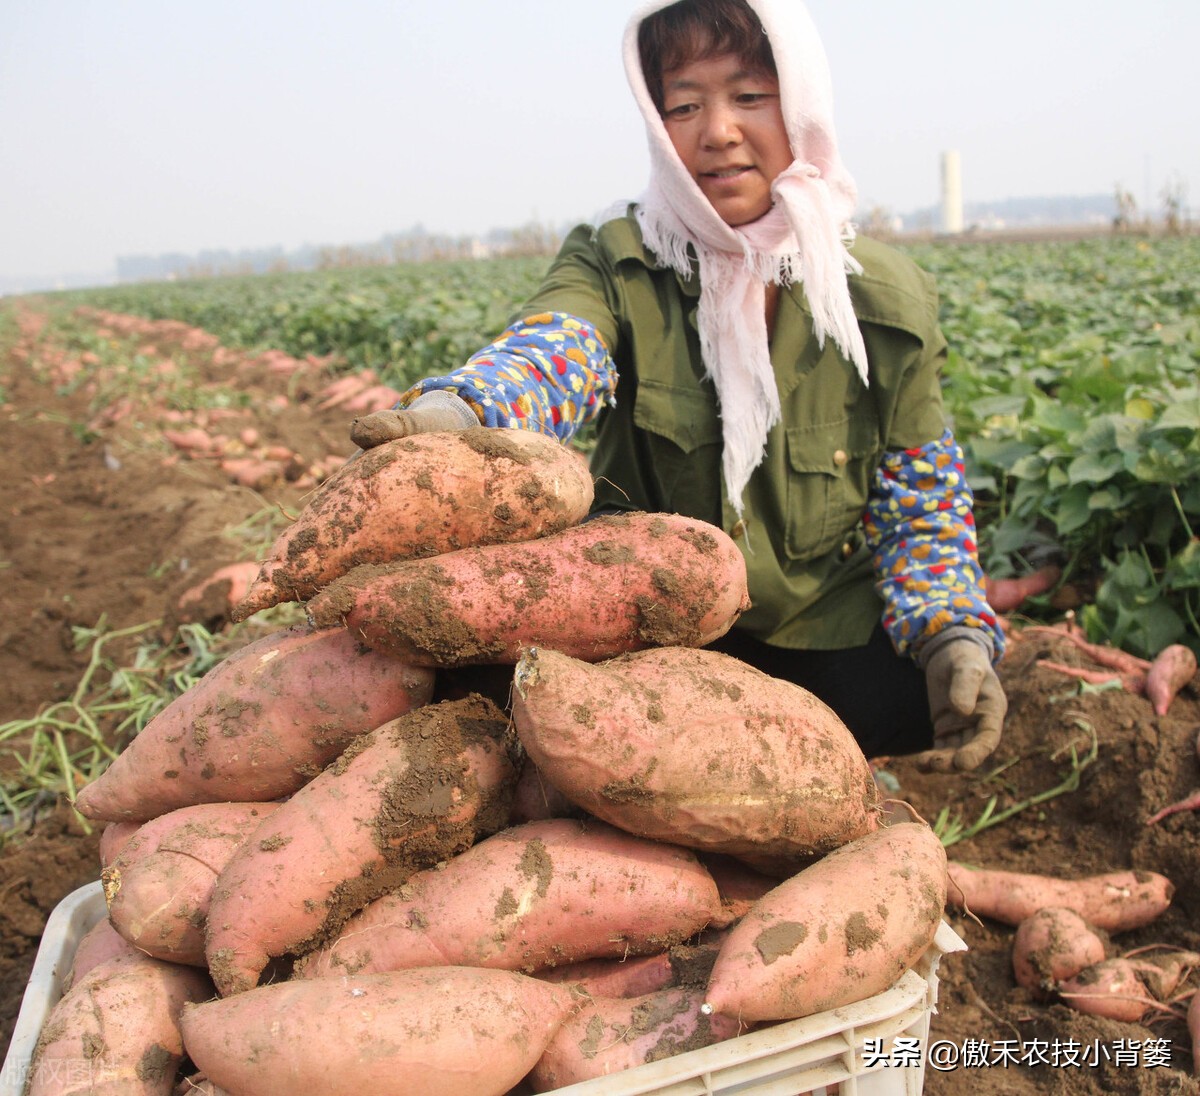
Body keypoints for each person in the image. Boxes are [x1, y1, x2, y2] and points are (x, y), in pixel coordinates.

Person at [350, 0, 1007, 771]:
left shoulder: (882, 300)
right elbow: (553, 353)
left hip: (807, 636)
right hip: (640, 635)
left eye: (749, 97)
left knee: (933, 688)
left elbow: (921, 505)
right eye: (684, 105)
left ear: (801, 108)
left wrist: (953, 637)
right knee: (481, 687)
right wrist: (461, 412)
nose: (717, 131)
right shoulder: (619, 256)